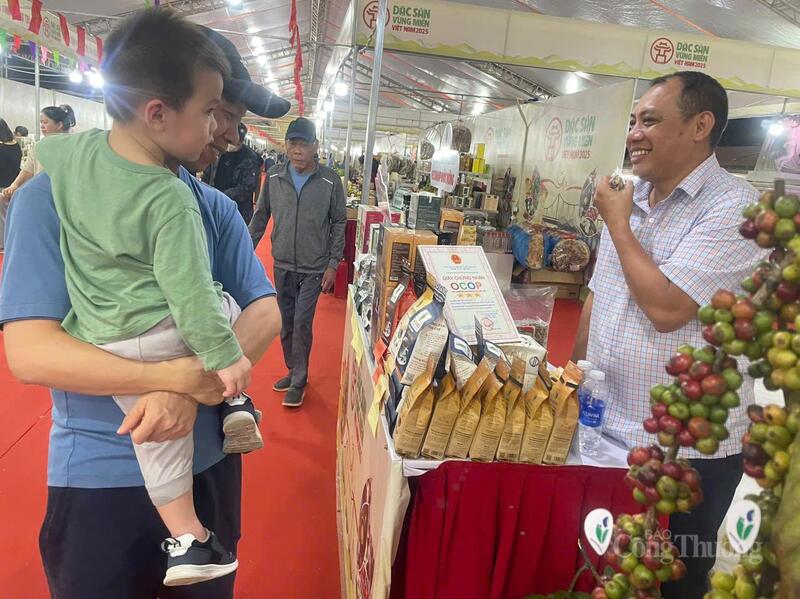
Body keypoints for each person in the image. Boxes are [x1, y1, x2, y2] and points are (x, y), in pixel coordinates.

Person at [0, 14, 289, 599]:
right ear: (161, 108)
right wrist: (166, 377)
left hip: (206, 465)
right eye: (220, 113)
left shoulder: (212, 208)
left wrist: (181, 389)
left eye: (231, 118)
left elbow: (263, 312)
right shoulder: (50, 198)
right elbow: (30, 351)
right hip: (100, 476)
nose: (228, 135)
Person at [571, 72, 763, 599]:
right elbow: (599, 294)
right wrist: (567, 380)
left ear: (701, 126)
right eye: (633, 120)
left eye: (650, 120)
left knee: (670, 580)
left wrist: (618, 226)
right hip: (606, 430)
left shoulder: (735, 209)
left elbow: (667, 307)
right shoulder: (631, 202)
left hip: (686, 452)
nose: (634, 132)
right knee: (597, 567)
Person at [249, 117, 346, 408]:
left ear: (315, 146)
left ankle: (300, 380)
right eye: (293, 143)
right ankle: (293, 370)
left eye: (304, 144)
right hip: (282, 263)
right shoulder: (276, 177)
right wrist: (243, 251)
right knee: (286, 321)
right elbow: (260, 216)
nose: (298, 150)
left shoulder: (330, 180)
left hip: (314, 267)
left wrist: (332, 264)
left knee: (303, 321)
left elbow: (339, 222)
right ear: (286, 145)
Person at [1, 105, 75, 201]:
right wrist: (14, 186)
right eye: (41, 122)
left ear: (60, 124)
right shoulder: (38, 146)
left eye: (45, 122)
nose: (42, 126)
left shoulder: (72, 145)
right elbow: (27, 171)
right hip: (43, 196)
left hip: (62, 197)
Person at [204, 122, 263, 224]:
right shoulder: (219, 151)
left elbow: (247, 188)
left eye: (237, 142)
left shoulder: (249, 158)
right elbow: (207, 174)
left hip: (238, 211)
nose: (232, 144)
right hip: (213, 207)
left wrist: (221, 196)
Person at [0, 118, 22, 252]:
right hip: (13, 188)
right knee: (10, 219)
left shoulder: (1, 148)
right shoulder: (15, 146)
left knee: (2, 220)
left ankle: (2, 245)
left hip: (2, 188)